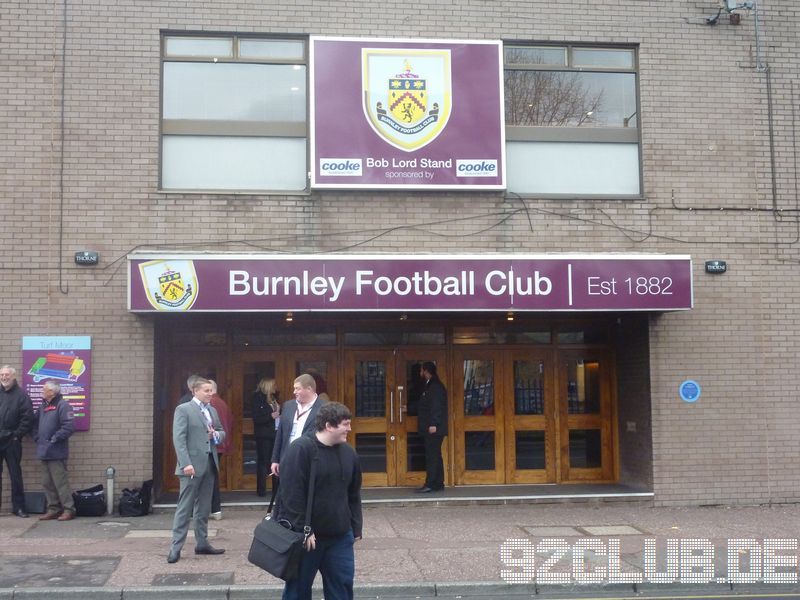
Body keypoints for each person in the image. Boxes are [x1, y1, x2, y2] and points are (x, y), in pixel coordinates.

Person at [277, 401, 362, 600]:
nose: (349, 429)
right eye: (345, 424)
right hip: (307, 539)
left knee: (341, 589)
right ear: (329, 425)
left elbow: (353, 493)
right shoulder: (300, 449)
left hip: (340, 537)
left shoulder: (349, 453)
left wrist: (355, 528)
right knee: (297, 591)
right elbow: (290, 494)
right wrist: (302, 530)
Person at [167, 377, 226, 563]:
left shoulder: (212, 411)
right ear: (195, 391)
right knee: (185, 508)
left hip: (209, 463)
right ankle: (176, 547)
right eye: (207, 390)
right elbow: (179, 438)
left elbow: (221, 432)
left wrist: (215, 435)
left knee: (204, 507)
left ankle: (202, 543)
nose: (211, 394)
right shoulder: (183, 410)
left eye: (211, 390)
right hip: (191, 466)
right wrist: (185, 463)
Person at [33, 380, 76, 520]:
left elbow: (69, 427)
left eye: (44, 389)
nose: (42, 391)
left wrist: (54, 438)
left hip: (57, 452)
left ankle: (69, 510)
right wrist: (36, 437)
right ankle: (54, 509)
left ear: (52, 392)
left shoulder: (63, 405)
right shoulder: (42, 406)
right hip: (43, 451)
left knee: (60, 483)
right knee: (47, 483)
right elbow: (34, 423)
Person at [270, 373, 326, 479]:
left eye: (297, 389)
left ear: (309, 389)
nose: (294, 392)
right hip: (287, 458)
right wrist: (275, 460)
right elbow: (280, 434)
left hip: (310, 460)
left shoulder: (324, 408)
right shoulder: (288, 406)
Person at [0, 365, 34, 518]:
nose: (4, 377)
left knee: (15, 475)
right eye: (1, 375)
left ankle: (19, 508)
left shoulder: (22, 396)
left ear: (13, 377)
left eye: (7, 375)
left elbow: (27, 419)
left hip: (12, 441)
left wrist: (17, 435)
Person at [416, 361, 448, 493]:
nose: (420, 373)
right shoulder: (430, 385)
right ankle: (438, 483)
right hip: (434, 427)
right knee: (436, 455)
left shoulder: (435, 386)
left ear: (426, 371)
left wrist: (434, 423)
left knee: (432, 456)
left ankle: (430, 483)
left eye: (422, 370)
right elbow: (426, 404)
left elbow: (436, 406)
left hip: (434, 428)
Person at [208, 379, 233, 520]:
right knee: (213, 476)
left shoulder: (211, 404)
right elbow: (230, 423)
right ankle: (215, 509)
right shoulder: (223, 404)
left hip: (213, 445)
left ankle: (214, 508)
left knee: (210, 477)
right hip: (221, 445)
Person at [252, 377, 280, 497]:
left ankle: (276, 489)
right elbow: (257, 418)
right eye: (274, 385)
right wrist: (271, 416)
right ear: (268, 386)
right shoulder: (258, 399)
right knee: (263, 462)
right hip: (264, 436)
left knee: (275, 460)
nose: (276, 387)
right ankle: (261, 490)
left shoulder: (273, 398)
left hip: (275, 433)